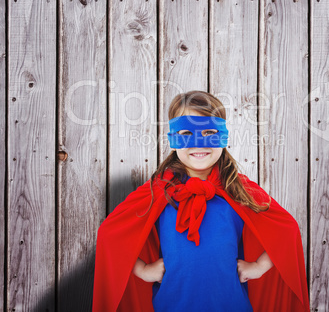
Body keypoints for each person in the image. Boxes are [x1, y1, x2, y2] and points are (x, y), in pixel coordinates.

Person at [92, 91, 310, 312]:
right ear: (173, 139)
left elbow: (286, 230)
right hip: (171, 305)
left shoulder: (238, 189)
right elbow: (111, 235)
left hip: (231, 304)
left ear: (223, 136)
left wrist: (259, 267)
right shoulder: (159, 190)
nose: (199, 143)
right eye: (187, 133)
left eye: (209, 132)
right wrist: (143, 270)